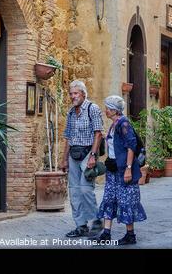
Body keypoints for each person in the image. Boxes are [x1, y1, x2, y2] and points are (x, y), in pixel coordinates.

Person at [91, 95, 147, 245]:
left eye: (108, 108)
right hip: (113, 169)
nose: (106, 110)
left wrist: (128, 169)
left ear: (114, 110)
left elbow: (131, 146)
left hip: (123, 169)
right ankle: (106, 233)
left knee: (126, 200)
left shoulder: (124, 124)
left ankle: (130, 235)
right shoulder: (114, 124)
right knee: (109, 198)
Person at [61, 80, 105, 238]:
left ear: (83, 94)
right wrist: (64, 159)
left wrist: (93, 155)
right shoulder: (71, 112)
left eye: (76, 93)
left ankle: (96, 222)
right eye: (71, 93)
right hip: (73, 154)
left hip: (88, 153)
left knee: (86, 189)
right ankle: (81, 226)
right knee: (74, 191)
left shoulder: (92, 109)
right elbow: (68, 137)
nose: (73, 96)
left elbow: (98, 133)